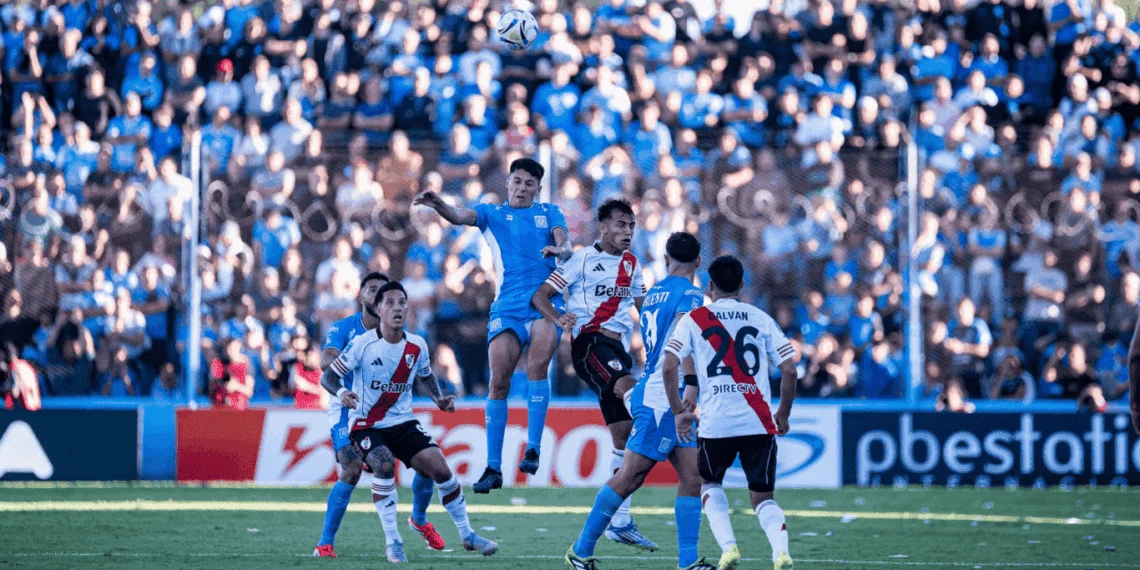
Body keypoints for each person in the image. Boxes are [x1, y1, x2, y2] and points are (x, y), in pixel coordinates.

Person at [413, 158, 572, 492]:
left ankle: (533, 448)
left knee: (537, 366)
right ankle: (493, 467)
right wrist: (439, 204)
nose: (522, 187)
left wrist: (563, 248)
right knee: (498, 382)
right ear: (508, 182)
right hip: (508, 306)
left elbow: (564, 240)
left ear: (538, 188)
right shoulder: (492, 213)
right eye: (518, 181)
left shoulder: (550, 212)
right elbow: (459, 216)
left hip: (545, 301)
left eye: (530, 183)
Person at [565, 232, 715, 570]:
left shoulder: (654, 292)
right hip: (665, 397)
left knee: (693, 476)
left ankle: (688, 561)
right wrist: (692, 384)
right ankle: (579, 551)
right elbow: (682, 341)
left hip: (660, 389)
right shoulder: (691, 294)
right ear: (698, 261)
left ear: (666, 259)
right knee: (630, 476)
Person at [319, 281, 498, 562]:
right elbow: (328, 376)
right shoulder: (362, 344)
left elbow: (426, 375)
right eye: (390, 303)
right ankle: (394, 541)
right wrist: (342, 393)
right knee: (383, 465)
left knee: (441, 469)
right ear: (378, 309)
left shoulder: (417, 345)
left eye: (402, 302)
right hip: (366, 424)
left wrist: (439, 399)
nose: (397, 308)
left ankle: (467, 535)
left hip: (402, 422)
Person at [533, 198, 654, 551]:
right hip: (590, 345)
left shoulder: (632, 265)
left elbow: (645, 311)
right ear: (603, 227)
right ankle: (666, 430)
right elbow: (541, 296)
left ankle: (620, 522)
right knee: (632, 392)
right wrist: (559, 319)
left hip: (618, 350)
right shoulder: (581, 259)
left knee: (623, 436)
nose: (627, 232)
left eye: (631, 226)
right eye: (620, 224)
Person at [667, 255, 798, 570]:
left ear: (709, 285)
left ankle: (729, 549)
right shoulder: (760, 317)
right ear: (741, 284)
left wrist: (678, 410)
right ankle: (780, 553)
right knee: (763, 498)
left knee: (710, 485)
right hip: (758, 421)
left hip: (716, 424)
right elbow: (790, 370)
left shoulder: (694, 319)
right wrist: (783, 414)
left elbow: (669, 365)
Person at [313, 272, 443, 558]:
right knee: (351, 468)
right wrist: (351, 360)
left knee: (426, 463)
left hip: (389, 410)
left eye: (383, 292)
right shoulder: (346, 328)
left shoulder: (400, 332)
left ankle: (419, 520)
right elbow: (326, 363)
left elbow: (420, 369)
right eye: (372, 290)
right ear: (362, 296)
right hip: (348, 406)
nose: (377, 295)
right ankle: (325, 543)